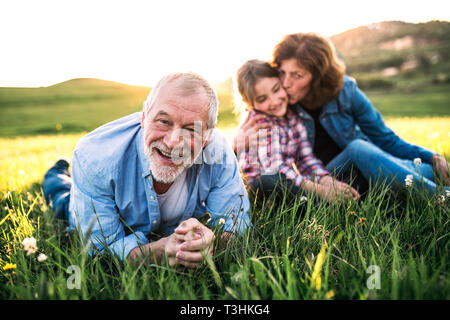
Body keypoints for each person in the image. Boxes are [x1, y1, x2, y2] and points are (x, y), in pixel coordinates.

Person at [42, 72, 251, 268]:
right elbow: (99, 252)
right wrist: (157, 253)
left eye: (190, 129)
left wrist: (210, 243)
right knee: (61, 200)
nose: (172, 143)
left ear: (207, 137)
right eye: (163, 121)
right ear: (143, 118)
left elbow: (237, 227)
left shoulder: (219, 154)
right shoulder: (95, 157)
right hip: (79, 198)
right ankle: (57, 173)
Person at [234, 32, 449, 195]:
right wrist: (235, 143)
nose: (286, 84)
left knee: (425, 170)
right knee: (366, 154)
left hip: (365, 164)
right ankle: (441, 198)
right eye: (282, 73)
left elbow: (385, 139)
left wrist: (431, 155)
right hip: (328, 175)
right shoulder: (278, 103)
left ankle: (419, 180)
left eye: (297, 75)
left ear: (316, 76)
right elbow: (259, 151)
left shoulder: (346, 91)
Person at [235, 59, 360, 202]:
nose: (274, 102)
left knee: (348, 177)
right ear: (249, 103)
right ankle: (319, 202)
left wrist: (326, 181)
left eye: (276, 89)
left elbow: (306, 159)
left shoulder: (293, 118)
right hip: (265, 188)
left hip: (291, 182)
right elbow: (275, 168)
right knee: (269, 181)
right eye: (262, 99)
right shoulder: (259, 123)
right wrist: (319, 190)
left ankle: (329, 198)